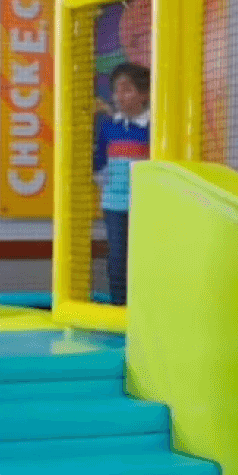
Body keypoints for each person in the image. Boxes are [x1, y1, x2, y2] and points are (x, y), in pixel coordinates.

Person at [93, 63, 151, 306]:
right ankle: (119, 308)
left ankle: (143, 310)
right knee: (117, 259)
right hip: (115, 205)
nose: (119, 95)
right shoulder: (108, 126)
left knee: (144, 258)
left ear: (143, 94)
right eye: (116, 90)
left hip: (146, 207)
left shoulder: (152, 128)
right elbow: (99, 163)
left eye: (127, 89)